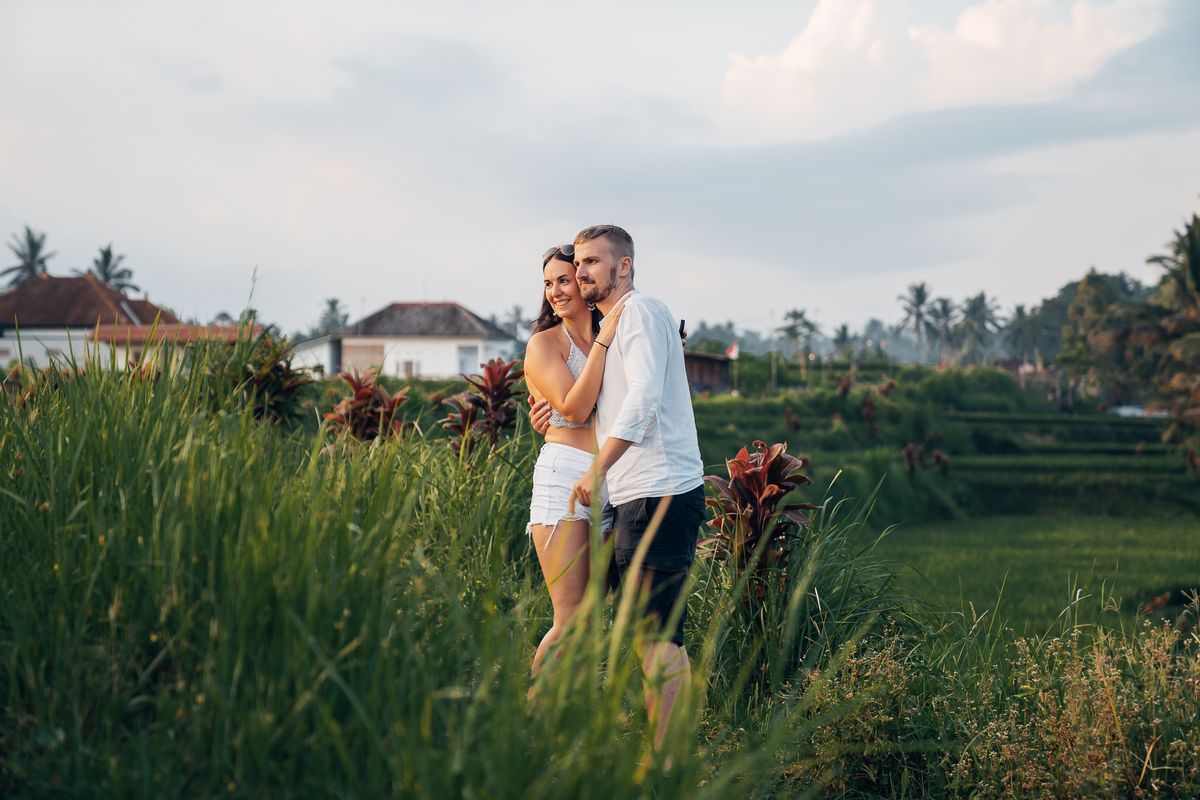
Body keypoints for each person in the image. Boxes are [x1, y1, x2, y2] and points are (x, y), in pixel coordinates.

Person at [530, 225, 705, 753]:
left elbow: (642, 397)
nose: (570, 281)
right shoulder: (575, 335)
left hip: (636, 487)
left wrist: (595, 461)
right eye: (559, 277)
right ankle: (539, 730)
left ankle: (664, 756)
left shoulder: (634, 315)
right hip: (589, 484)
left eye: (581, 268)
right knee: (586, 620)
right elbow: (586, 408)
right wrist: (558, 426)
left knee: (648, 631)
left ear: (621, 266)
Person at [522, 243, 629, 677]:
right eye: (548, 283)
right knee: (569, 619)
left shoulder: (617, 333)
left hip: (612, 481)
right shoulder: (545, 343)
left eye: (564, 280)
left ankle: (567, 716)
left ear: (585, 281)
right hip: (564, 479)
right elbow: (575, 408)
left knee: (591, 614)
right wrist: (605, 339)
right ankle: (532, 720)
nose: (555, 291)